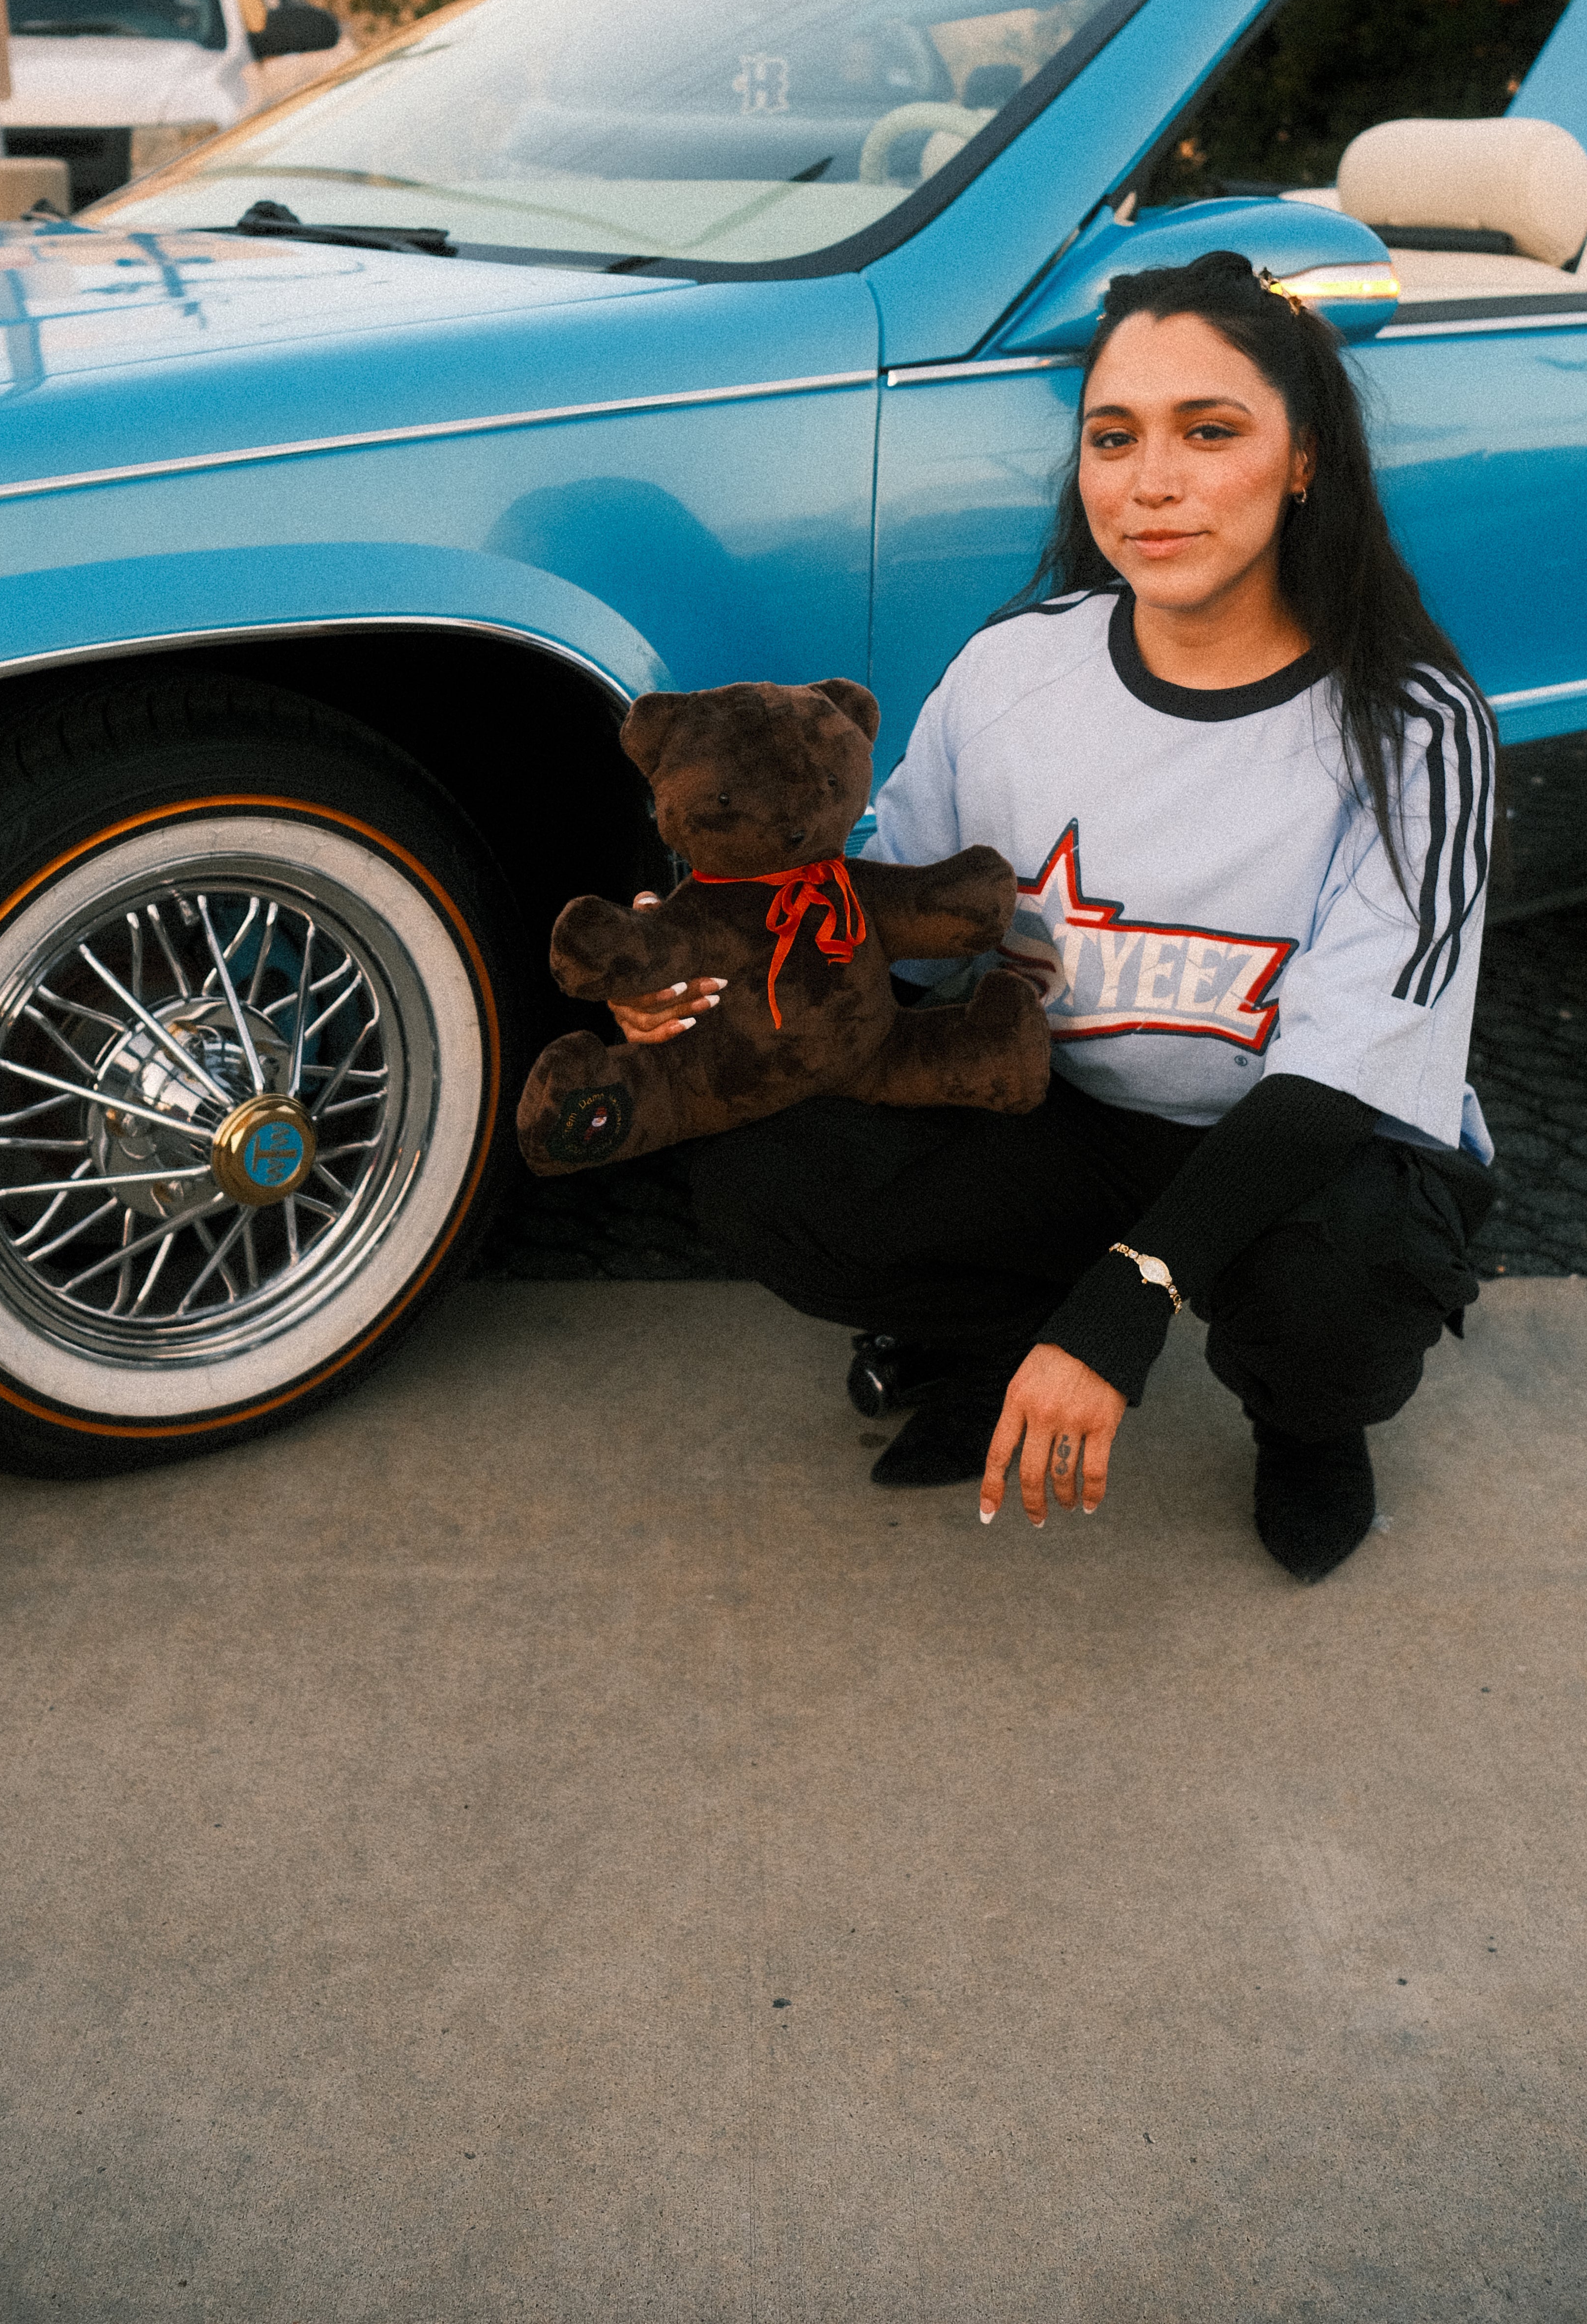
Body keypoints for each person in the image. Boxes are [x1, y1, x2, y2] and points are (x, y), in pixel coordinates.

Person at [612, 252, 1497, 1584]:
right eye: (1113, 437)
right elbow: (877, 931)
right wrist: (703, 973)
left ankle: (1308, 1422)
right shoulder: (1014, 669)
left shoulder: (1411, 726)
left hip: (1302, 1147)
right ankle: (994, 1334)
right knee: (759, 1147)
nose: (1151, 482)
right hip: (1057, 1106)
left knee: (1348, 1277)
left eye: (1210, 433)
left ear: (1304, 461)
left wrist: (1129, 1303)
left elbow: (1344, 1074)